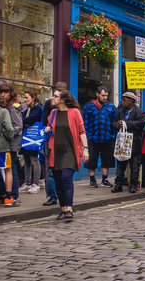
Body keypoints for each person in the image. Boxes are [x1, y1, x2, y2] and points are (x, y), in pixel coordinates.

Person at [46, 91, 88, 221]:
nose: (53, 98)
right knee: (58, 180)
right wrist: (48, 129)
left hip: (70, 150)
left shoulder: (74, 112)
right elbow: (50, 127)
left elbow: (81, 131)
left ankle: (69, 209)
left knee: (66, 177)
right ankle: (63, 209)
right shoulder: (53, 113)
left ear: (63, 100)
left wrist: (85, 149)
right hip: (55, 151)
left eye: (55, 96)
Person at [82, 86, 117, 189]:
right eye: (103, 95)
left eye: (106, 95)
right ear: (97, 94)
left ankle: (104, 180)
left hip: (107, 137)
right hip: (92, 138)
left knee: (106, 160)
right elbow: (84, 123)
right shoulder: (88, 107)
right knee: (91, 160)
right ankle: (92, 180)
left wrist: (113, 135)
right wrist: (87, 136)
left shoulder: (111, 107)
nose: (105, 97)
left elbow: (115, 122)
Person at [114, 92, 145, 193]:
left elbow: (141, 124)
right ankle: (118, 185)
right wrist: (117, 124)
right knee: (120, 165)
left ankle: (133, 185)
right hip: (122, 144)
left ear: (131, 101)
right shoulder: (120, 112)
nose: (122, 102)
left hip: (134, 143)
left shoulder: (140, 112)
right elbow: (113, 123)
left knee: (134, 166)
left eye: (124, 100)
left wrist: (125, 123)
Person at [0, 83, 23, 205]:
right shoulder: (5, 107)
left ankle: (13, 193)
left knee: (11, 167)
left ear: (11, 93)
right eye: (1, 92)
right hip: (6, 143)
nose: (3, 95)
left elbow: (18, 126)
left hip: (11, 143)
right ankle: (5, 192)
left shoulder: (12, 108)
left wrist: (8, 135)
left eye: (6, 92)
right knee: (5, 168)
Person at [21, 92, 43, 193]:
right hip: (26, 137)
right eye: (24, 98)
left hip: (34, 138)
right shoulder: (27, 109)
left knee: (34, 160)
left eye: (27, 98)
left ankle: (36, 183)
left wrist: (25, 121)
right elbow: (24, 120)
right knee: (27, 161)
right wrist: (25, 121)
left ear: (33, 98)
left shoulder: (38, 108)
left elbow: (30, 119)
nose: (25, 100)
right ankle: (27, 182)